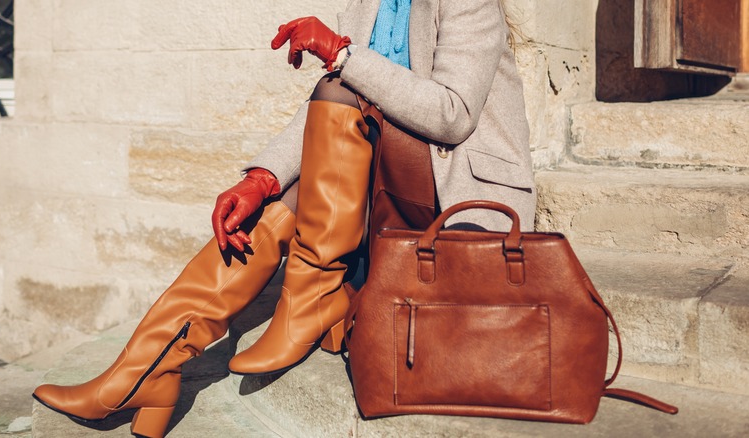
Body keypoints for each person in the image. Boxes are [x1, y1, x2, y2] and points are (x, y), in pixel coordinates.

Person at [32, 1, 535, 437]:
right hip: (379, 185)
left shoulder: (471, 2)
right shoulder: (369, 5)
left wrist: (342, 54)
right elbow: (331, 109)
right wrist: (262, 179)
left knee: (339, 89)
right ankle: (148, 368)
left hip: (450, 195)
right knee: (276, 202)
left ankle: (308, 299)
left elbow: (453, 114)